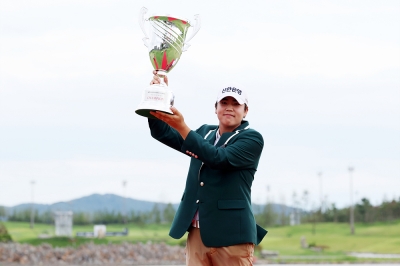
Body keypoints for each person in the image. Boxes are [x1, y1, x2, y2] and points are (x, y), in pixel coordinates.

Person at [147, 70, 267, 265]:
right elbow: (163, 133)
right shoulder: (204, 132)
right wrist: (159, 98)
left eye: (236, 104)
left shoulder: (252, 138)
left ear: (245, 111)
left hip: (232, 237)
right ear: (216, 107)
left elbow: (218, 158)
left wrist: (183, 127)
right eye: (224, 103)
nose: (229, 108)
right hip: (197, 234)